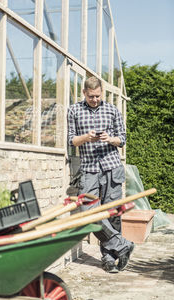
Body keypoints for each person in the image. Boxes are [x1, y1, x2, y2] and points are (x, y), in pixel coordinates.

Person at [67, 76, 134, 273]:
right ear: (84, 93)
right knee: (90, 214)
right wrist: (86, 137)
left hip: (112, 167)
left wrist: (110, 139)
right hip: (89, 169)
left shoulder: (113, 110)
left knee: (112, 214)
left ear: (102, 92)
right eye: (91, 97)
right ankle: (122, 245)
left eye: (97, 96)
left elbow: (122, 140)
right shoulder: (74, 110)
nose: (94, 100)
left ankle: (109, 258)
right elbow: (72, 141)